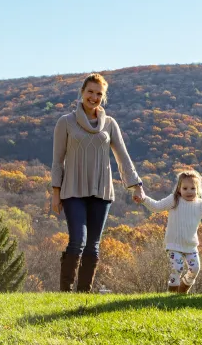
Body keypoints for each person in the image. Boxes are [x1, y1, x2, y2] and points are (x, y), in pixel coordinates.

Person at [51, 73, 144, 292]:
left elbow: (123, 157)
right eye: (90, 92)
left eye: (99, 94)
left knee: (93, 245)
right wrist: (56, 192)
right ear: (82, 92)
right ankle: (65, 291)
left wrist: (136, 185)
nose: (94, 97)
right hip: (72, 191)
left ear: (104, 97)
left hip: (101, 193)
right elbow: (57, 160)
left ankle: (83, 293)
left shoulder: (110, 124)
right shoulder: (65, 122)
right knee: (78, 240)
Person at [139, 169, 202, 293]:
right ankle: (172, 292)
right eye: (185, 188)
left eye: (192, 188)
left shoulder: (199, 205)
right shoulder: (175, 200)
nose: (189, 191)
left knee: (195, 268)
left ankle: (183, 289)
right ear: (179, 189)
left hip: (190, 246)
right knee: (177, 268)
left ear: (198, 189)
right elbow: (157, 206)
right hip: (174, 244)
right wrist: (143, 199)